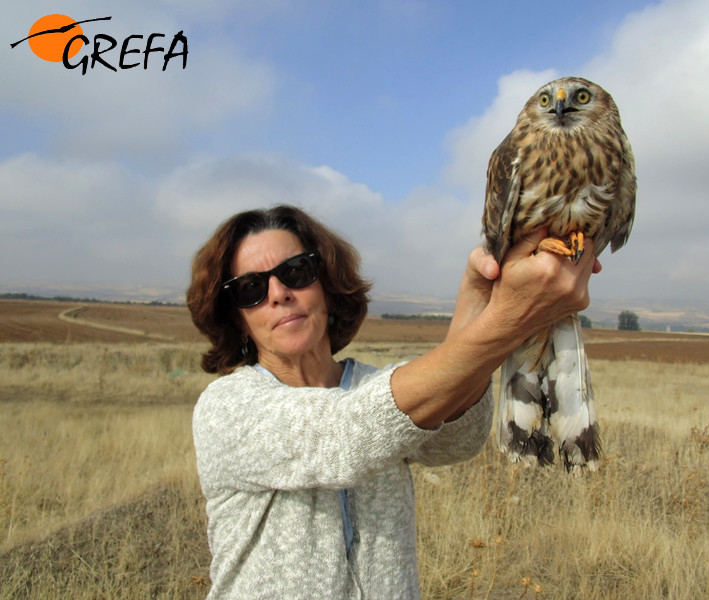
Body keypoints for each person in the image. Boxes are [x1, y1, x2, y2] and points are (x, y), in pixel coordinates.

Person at [187, 204, 600, 599]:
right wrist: (511, 318)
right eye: (250, 289)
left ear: (327, 283)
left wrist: (479, 296)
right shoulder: (226, 407)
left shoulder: (374, 385)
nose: (278, 293)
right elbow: (346, 435)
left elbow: (457, 438)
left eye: (296, 272)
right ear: (237, 316)